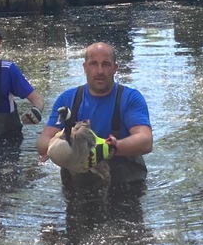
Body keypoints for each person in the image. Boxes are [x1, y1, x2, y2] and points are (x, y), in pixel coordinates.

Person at [37, 42, 153, 188]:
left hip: (126, 187)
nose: (99, 71)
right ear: (85, 68)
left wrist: (108, 149)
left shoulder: (130, 98)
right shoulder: (67, 100)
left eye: (106, 64)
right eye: (93, 64)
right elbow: (42, 143)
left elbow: (145, 141)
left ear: (115, 68)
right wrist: (62, 149)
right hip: (77, 188)